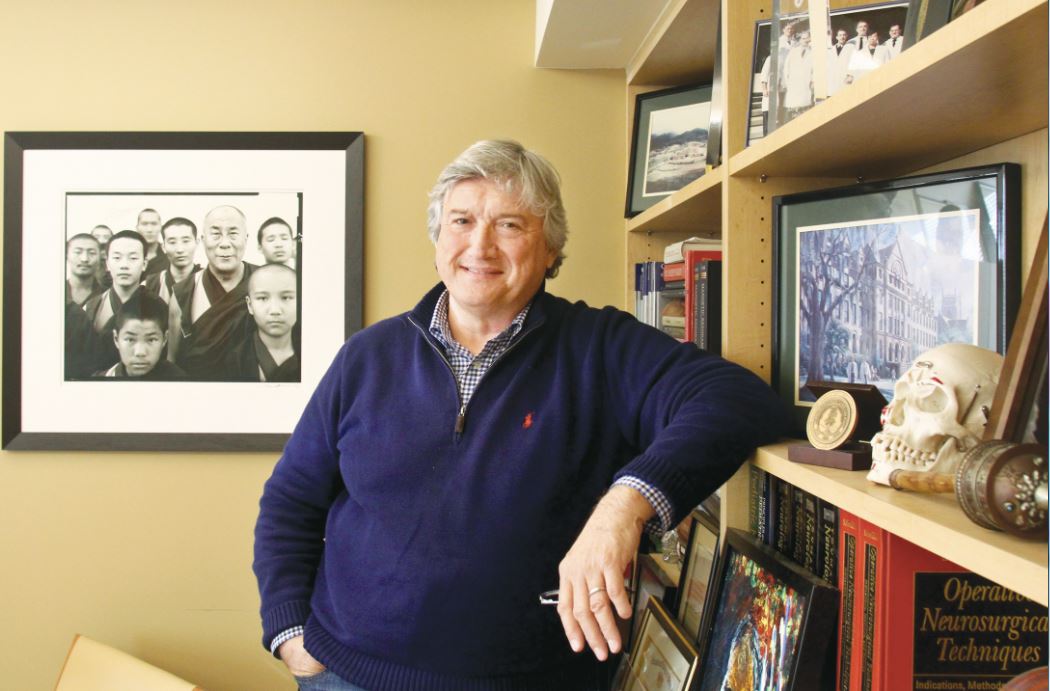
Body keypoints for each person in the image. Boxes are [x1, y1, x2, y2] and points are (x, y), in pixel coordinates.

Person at [253, 140, 788, 691]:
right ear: (439, 238)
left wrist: (625, 507)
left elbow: (738, 398)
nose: (479, 245)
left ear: (551, 248)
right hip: (347, 675)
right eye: (461, 221)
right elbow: (291, 501)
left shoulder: (600, 348)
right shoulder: (367, 358)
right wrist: (289, 632)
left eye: (509, 225)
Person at [170, 205, 256, 380]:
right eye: (216, 234)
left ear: (246, 238)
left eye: (233, 234)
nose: (224, 244)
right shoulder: (183, 292)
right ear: (203, 240)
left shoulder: (266, 282)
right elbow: (172, 361)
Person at [81, 230, 149, 371]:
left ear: (144, 264)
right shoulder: (91, 307)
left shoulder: (158, 306)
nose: (124, 265)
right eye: (117, 258)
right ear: (107, 264)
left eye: (133, 258)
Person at [225, 263, 300, 381]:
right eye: (263, 298)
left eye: (286, 297)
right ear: (250, 305)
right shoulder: (234, 361)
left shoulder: (312, 354)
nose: (275, 311)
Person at [96, 292, 186, 379]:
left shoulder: (181, 383)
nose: (140, 352)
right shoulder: (100, 382)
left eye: (151, 340)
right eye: (130, 340)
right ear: (116, 339)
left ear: (165, 339)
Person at [143, 216, 202, 305]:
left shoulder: (208, 281)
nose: (180, 249)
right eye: (172, 242)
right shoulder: (150, 284)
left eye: (186, 241)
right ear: (163, 247)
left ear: (196, 243)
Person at [782, 31, 814, 121]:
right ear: (800, 40)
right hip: (793, 84)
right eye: (803, 38)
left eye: (807, 38)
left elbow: (815, 69)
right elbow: (786, 67)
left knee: (805, 110)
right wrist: (787, 82)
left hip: (806, 84)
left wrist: (813, 81)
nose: (806, 40)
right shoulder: (793, 51)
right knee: (792, 110)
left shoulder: (813, 52)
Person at [65, 233, 104, 306]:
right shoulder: (55, 291)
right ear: (67, 256)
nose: (85, 259)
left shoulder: (108, 296)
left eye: (92, 253)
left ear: (100, 258)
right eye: (78, 252)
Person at [136, 208, 170, 276]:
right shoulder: (127, 253)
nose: (149, 230)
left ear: (161, 227)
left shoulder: (169, 256)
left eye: (154, 224)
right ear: (137, 228)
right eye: (144, 224)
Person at [827, 28, 856, 96]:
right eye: (840, 35)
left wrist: (850, 75)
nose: (842, 37)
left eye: (844, 35)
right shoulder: (831, 50)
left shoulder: (851, 47)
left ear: (846, 36)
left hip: (845, 77)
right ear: (836, 37)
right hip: (834, 78)